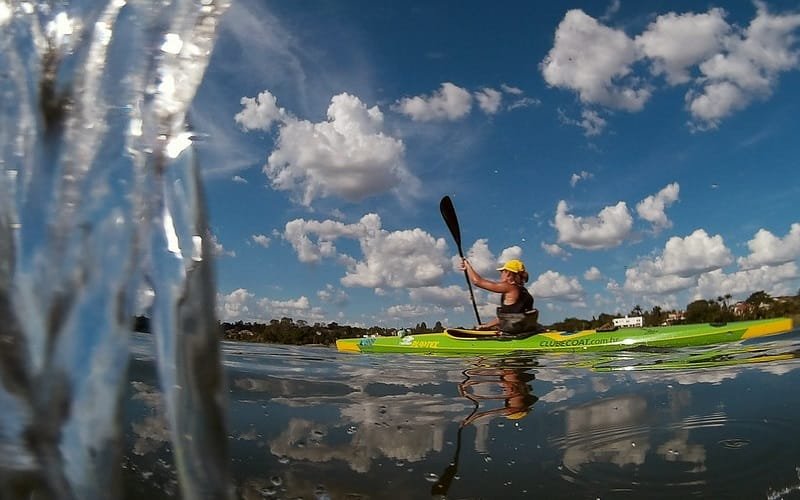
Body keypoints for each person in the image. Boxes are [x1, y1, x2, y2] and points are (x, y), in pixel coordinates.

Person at [459, 258, 535, 332]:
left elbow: (477, 281)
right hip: (524, 330)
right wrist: (486, 326)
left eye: (502, 272)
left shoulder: (509, 287)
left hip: (514, 332)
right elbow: (509, 317)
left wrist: (468, 266)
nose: (501, 274)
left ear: (508, 274)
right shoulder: (524, 291)